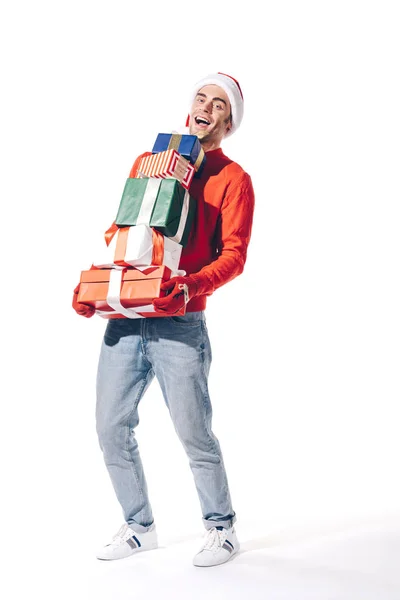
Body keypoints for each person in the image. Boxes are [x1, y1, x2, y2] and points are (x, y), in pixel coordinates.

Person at [72, 72, 255, 567]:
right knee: (110, 426)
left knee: (194, 432)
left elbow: (234, 256)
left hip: (181, 323)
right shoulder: (148, 163)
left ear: (229, 121)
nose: (205, 107)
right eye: (200, 98)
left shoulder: (233, 179)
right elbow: (123, 235)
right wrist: (96, 290)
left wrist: (190, 286)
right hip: (126, 319)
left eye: (218, 104)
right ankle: (138, 527)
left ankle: (222, 528)